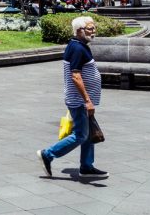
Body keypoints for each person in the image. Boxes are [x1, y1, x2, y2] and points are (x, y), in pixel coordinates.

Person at [38, 16, 107, 179]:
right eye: (89, 29)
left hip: (80, 100)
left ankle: (87, 166)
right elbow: (75, 76)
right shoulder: (77, 48)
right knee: (81, 135)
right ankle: (48, 154)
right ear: (78, 31)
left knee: (88, 133)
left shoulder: (78, 45)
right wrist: (87, 101)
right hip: (79, 101)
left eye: (94, 28)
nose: (93, 31)